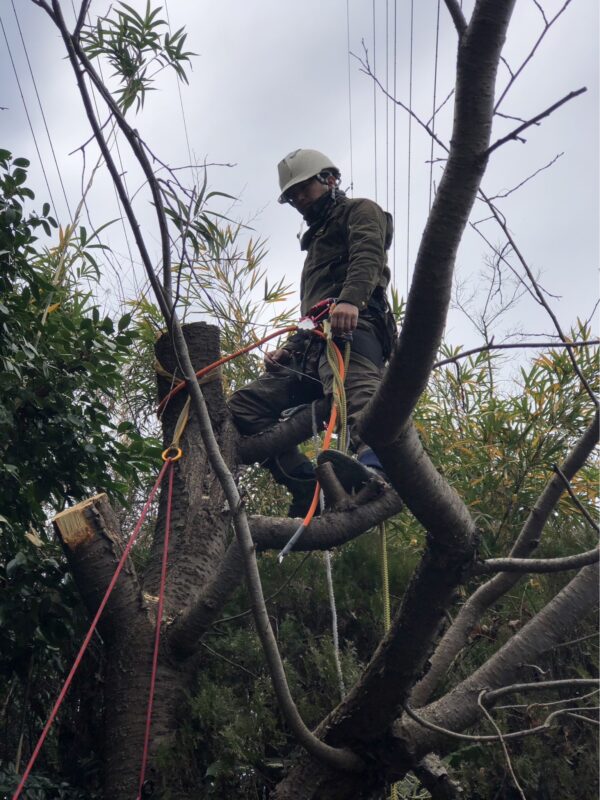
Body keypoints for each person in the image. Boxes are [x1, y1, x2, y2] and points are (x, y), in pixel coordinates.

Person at [229, 148, 396, 516]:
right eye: (292, 196)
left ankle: (376, 470)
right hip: (313, 345)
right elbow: (314, 310)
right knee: (244, 407)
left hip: (355, 330)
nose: (299, 200)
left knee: (359, 397)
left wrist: (351, 301)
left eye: (304, 189)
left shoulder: (360, 211)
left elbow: (368, 254)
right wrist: (289, 349)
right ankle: (307, 486)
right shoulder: (317, 242)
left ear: (330, 179)